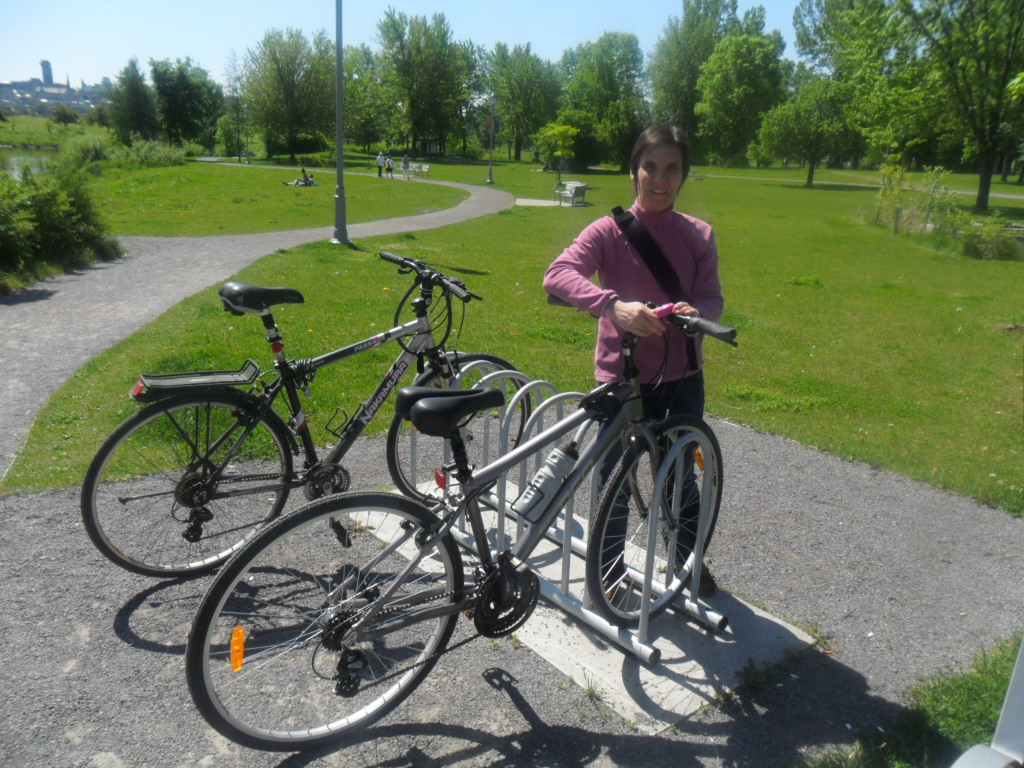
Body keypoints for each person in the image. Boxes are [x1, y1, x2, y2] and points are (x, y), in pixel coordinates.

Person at [542, 125, 724, 596]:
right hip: (623, 380)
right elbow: (557, 274)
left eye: (671, 169)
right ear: (633, 170)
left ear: (683, 176)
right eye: (650, 166)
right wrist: (612, 305)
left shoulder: (699, 235)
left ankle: (687, 563)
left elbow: (711, 299)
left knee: (681, 476)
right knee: (612, 483)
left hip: (684, 377)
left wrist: (696, 313)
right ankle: (606, 573)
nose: (659, 179)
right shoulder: (608, 231)